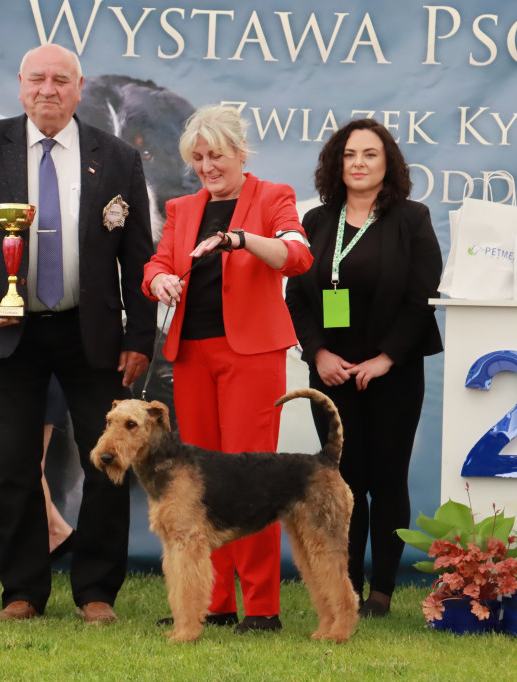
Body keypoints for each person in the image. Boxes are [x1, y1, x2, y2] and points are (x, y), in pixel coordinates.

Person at [0, 43, 155, 624]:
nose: (48, 89)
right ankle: (23, 592)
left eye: (62, 79)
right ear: (20, 85)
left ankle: (97, 592)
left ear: (80, 88)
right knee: (10, 464)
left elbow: (139, 259)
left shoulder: (116, 158)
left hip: (94, 334)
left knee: (106, 462)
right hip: (10, 330)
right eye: (38, 79)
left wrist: (140, 339)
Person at [143, 104, 313, 633]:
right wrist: (159, 283)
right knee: (201, 482)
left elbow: (296, 256)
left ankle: (261, 607)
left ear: (241, 153)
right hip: (190, 355)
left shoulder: (273, 197)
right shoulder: (181, 208)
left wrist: (240, 240)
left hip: (252, 356)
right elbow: (158, 264)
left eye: (215, 155)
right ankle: (214, 603)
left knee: (251, 479)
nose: (207, 167)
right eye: (197, 159)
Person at [284, 118, 443, 617]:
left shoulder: (412, 219)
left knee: (388, 479)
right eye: (350, 154)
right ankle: (347, 584)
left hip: (392, 370)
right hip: (331, 373)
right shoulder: (314, 222)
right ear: (337, 162)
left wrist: (387, 357)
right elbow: (298, 298)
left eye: (370, 154)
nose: (358, 163)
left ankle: (383, 592)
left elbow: (423, 298)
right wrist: (318, 354)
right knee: (341, 480)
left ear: (387, 163)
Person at [0, 360, 74, 560]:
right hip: (8, 367)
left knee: (27, 463)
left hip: (34, 365)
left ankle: (30, 554)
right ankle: (57, 534)